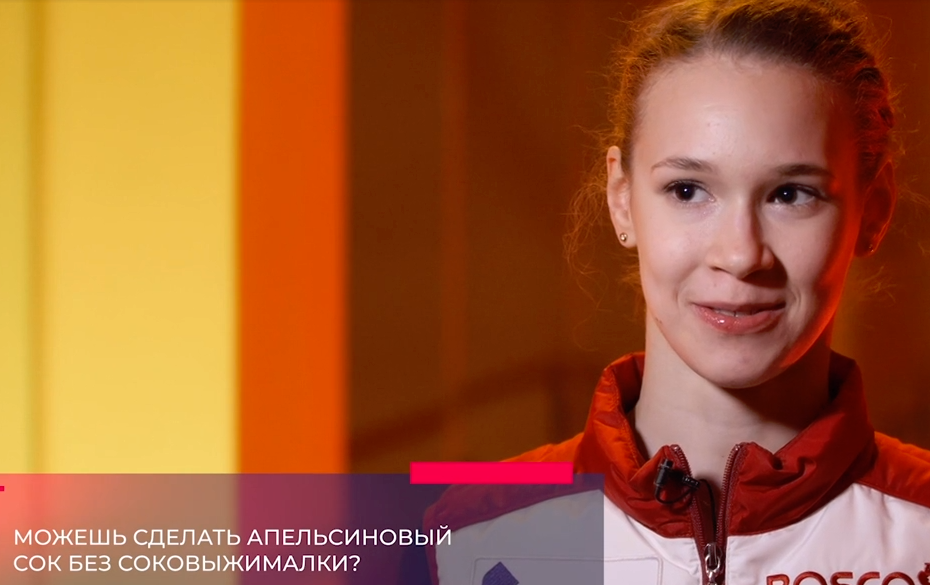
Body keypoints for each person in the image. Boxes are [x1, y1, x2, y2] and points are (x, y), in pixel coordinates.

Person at [424, 0, 930, 583]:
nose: (740, 254)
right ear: (622, 199)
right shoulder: (466, 538)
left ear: (875, 209)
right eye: (687, 190)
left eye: (791, 194)